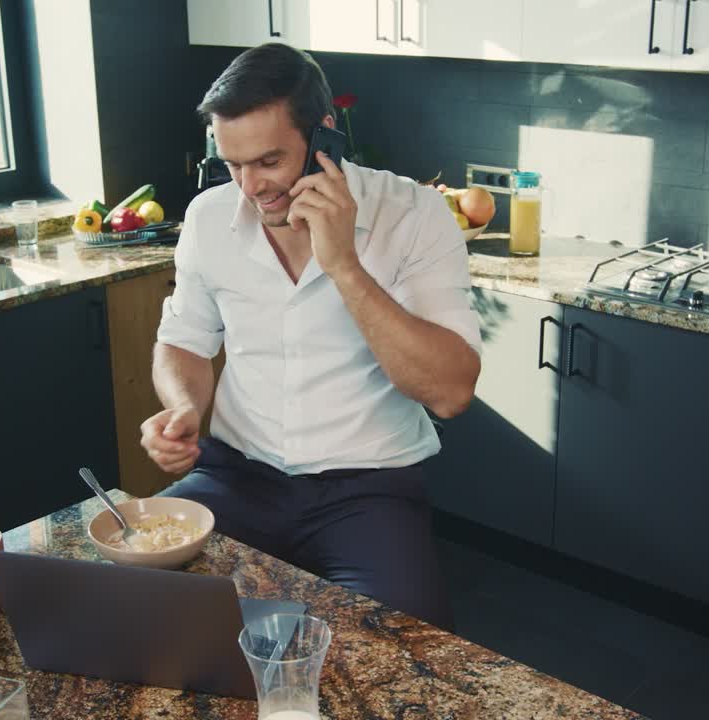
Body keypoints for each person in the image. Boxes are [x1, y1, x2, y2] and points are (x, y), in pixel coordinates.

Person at [140, 43, 481, 630]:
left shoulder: (415, 213)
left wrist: (345, 264)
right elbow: (184, 340)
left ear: (325, 134)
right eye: (233, 164)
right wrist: (182, 409)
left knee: (407, 651)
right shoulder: (207, 218)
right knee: (136, 602)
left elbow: (450, 392)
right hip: (235, 478)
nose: (250, 187)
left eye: (269, 161)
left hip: (367, 492)